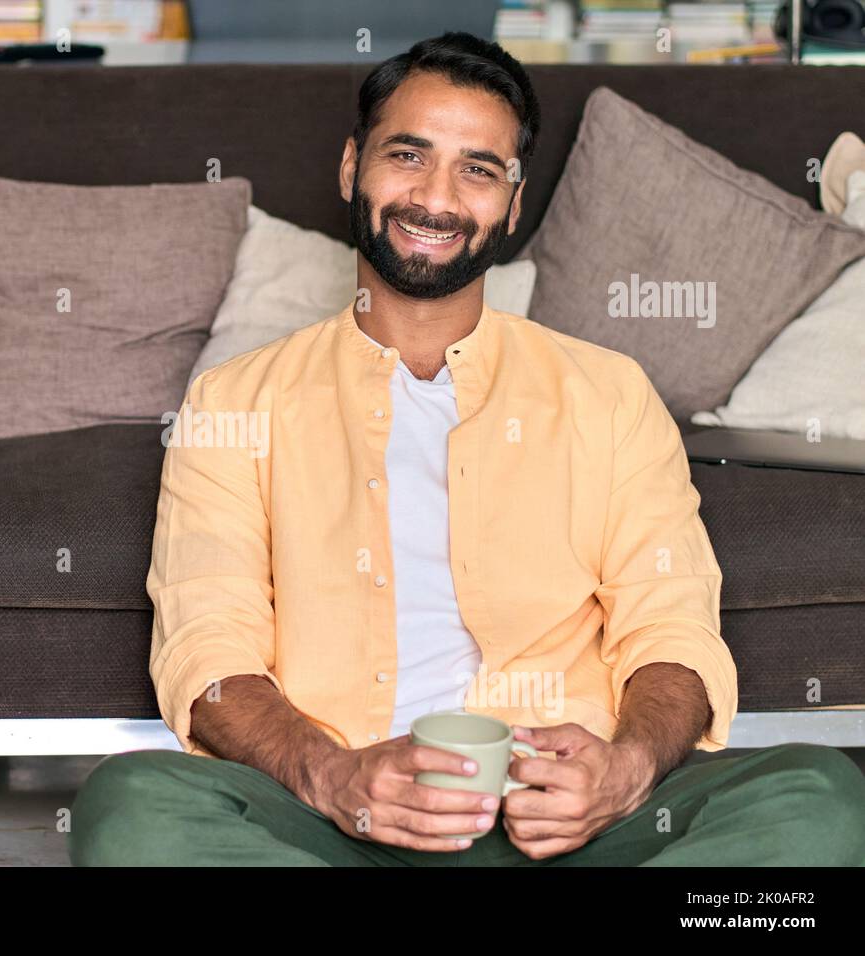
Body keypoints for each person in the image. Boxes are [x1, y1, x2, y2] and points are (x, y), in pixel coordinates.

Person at [69, 32, 865, 866]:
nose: (435, 198)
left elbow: (672, 628)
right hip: (339, 825)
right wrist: (333, 776)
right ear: (351, 168)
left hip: (574, 828)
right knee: (133, 808)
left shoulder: (609, 393)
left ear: (513, 204)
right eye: (408, 155)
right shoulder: (234, 401)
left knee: (817, 794)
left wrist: (624, 771)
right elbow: (209, 649)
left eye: (478, 170)